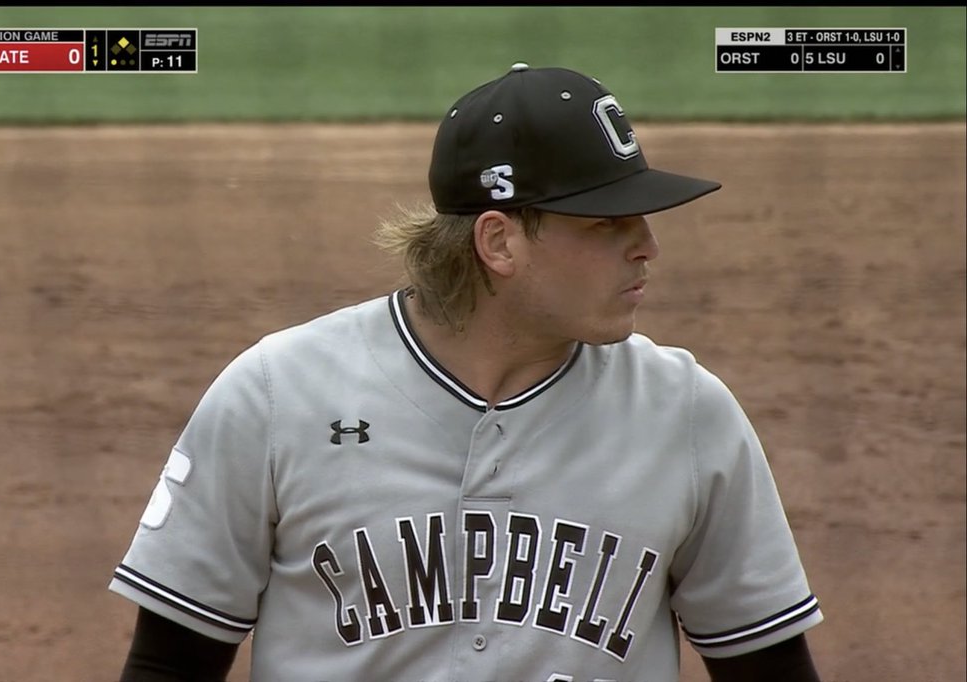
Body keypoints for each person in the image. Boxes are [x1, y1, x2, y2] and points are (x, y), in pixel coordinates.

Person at [108, 63, 825, 682]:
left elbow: (769, 668)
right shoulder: (277, 394)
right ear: (499, 241)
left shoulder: (686, 412)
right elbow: (169, 666)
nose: (648, 247)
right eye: (606, 224)